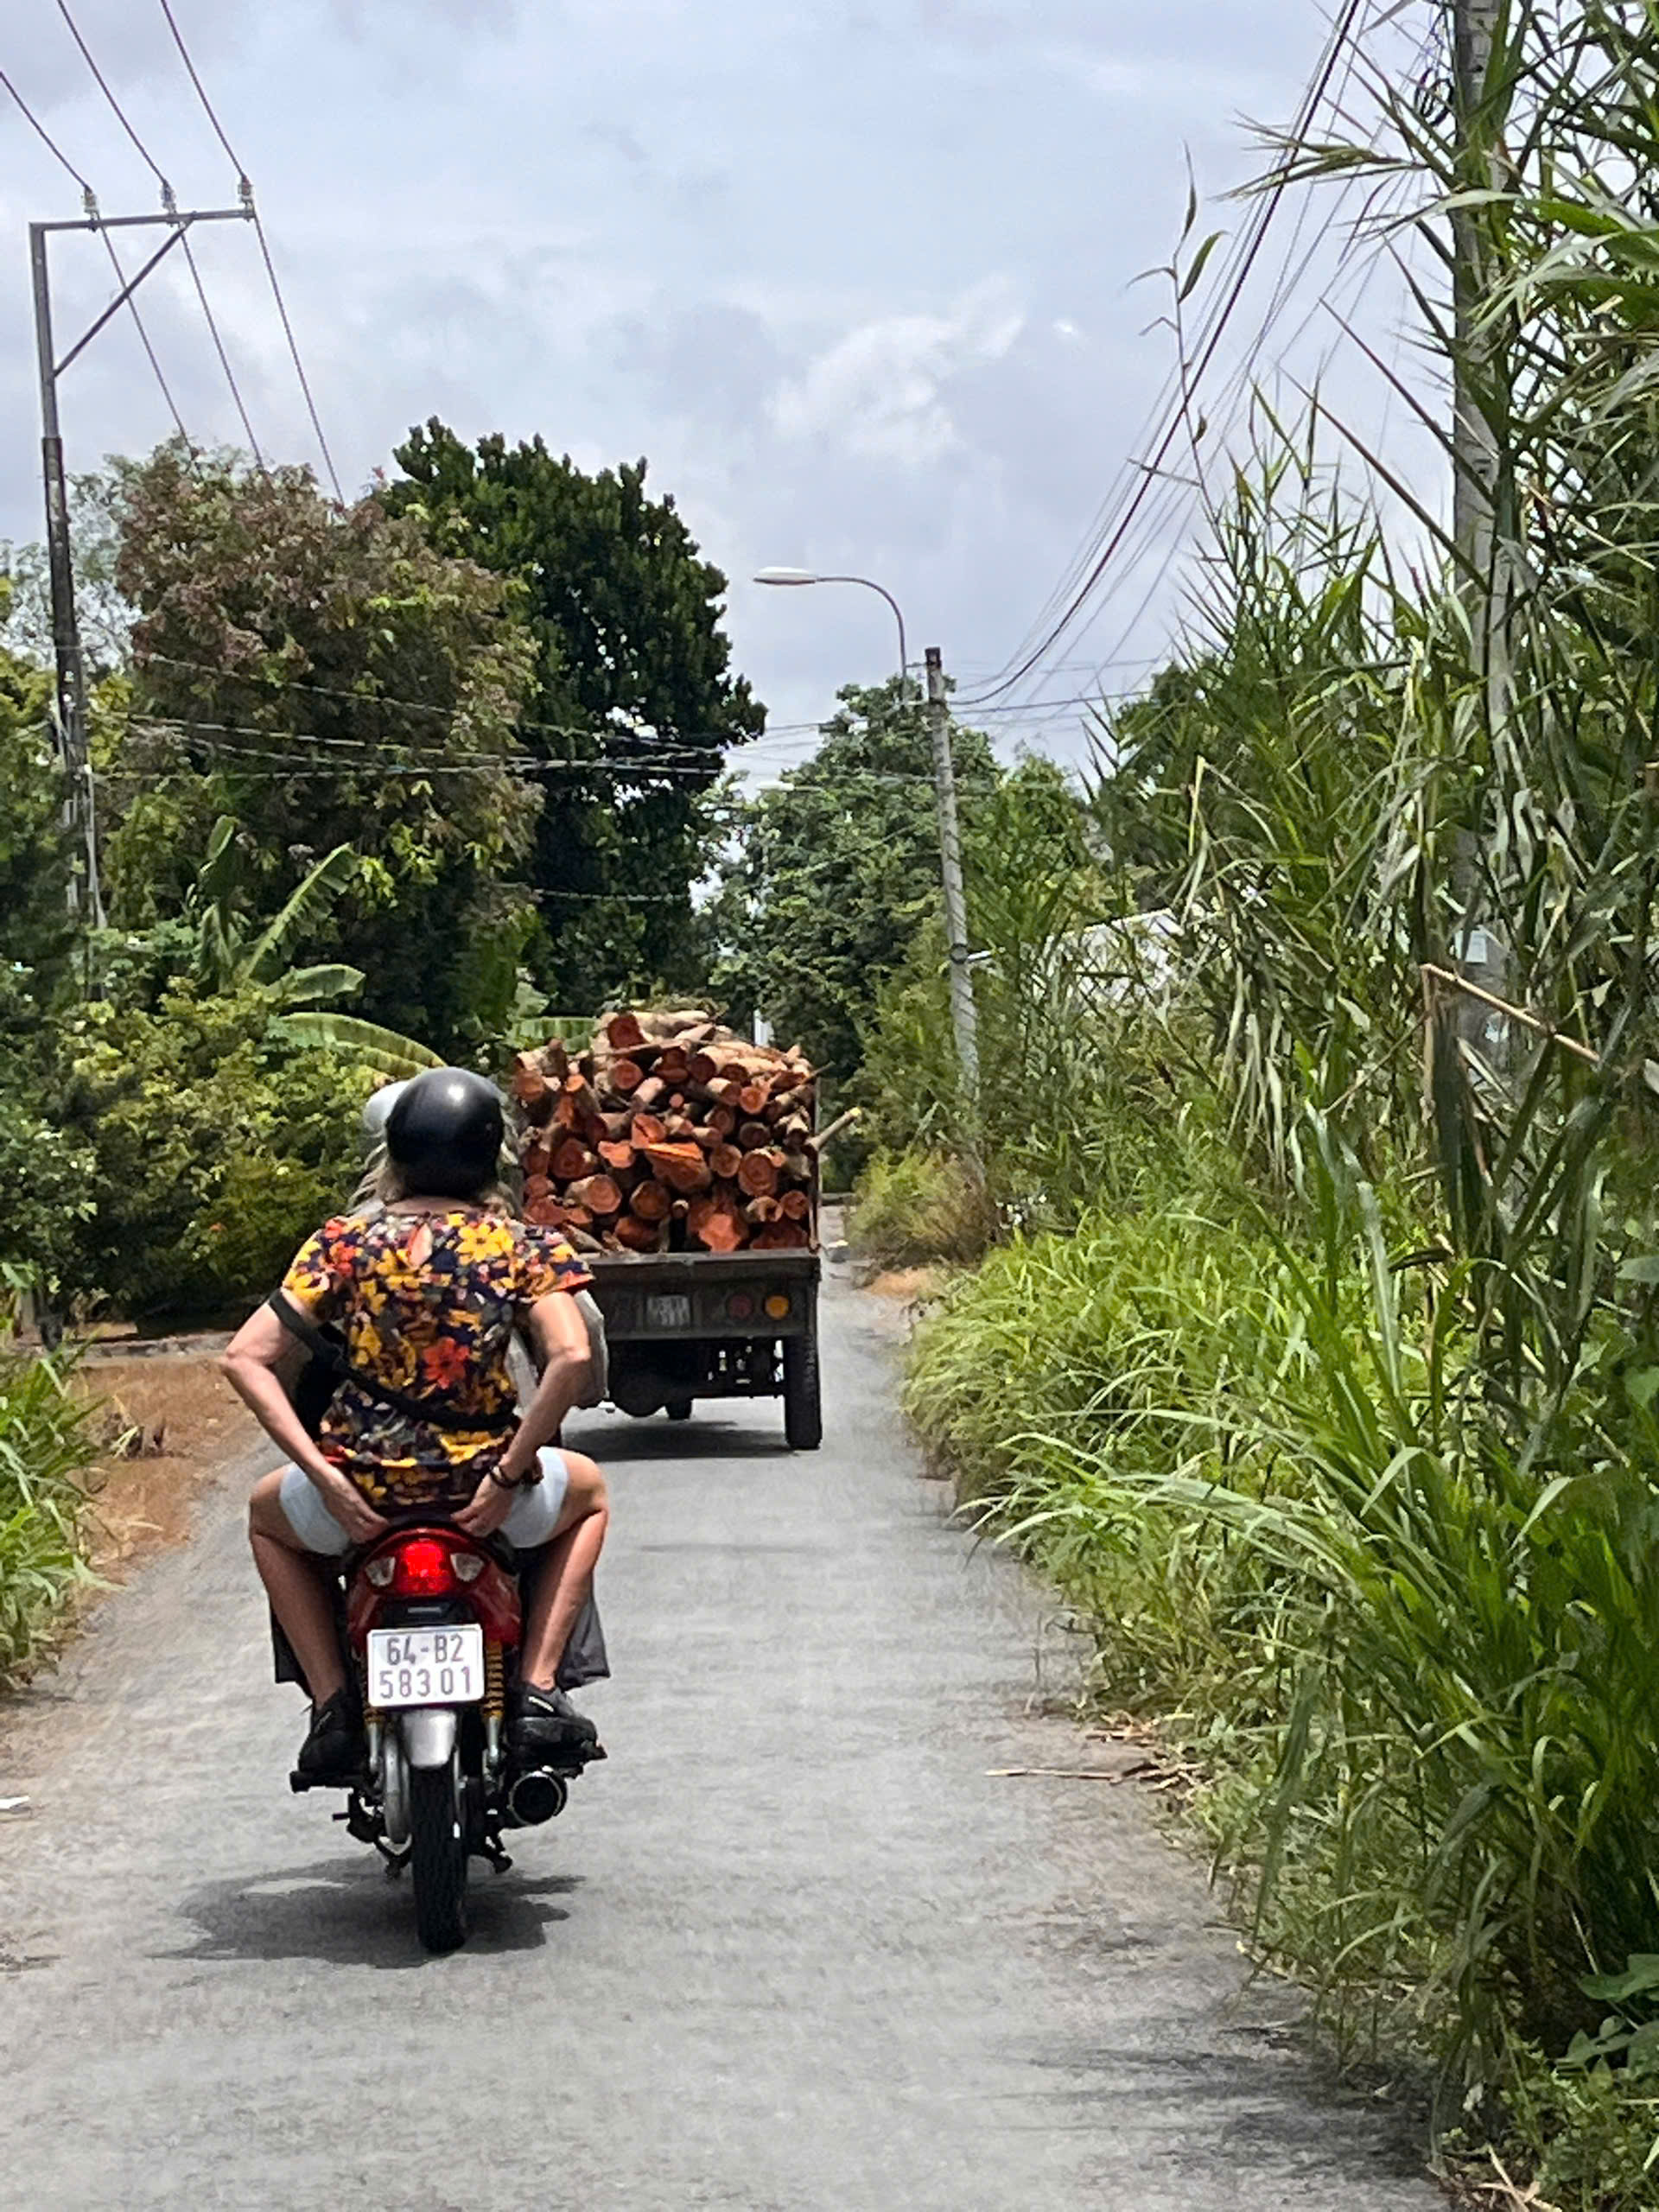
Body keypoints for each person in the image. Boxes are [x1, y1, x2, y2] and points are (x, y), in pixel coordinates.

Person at [221, 1066, 611, 1785]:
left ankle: (335, 1705)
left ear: (392, 1157)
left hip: (363, 1501)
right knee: (588, 1495)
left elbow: (246, 1357)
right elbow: (572, 1356)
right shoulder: (522, 1246)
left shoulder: (341, 1245)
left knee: (263, 1517)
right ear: (492, 1159)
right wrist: (504, 1473)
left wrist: (325, 1477)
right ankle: (537, 1689)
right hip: (481, 1494)